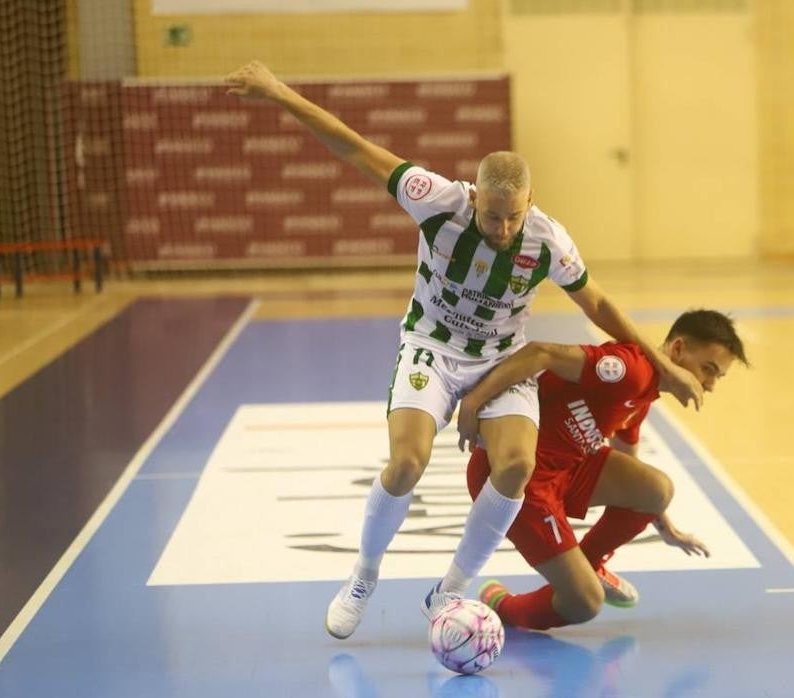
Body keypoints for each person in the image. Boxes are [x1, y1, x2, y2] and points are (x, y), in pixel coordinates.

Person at [223, 61, 704, 639]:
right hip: (431, 346)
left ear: (532, 203)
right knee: (406, 464)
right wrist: (277, 92)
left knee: (518, 465)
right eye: (492, 215)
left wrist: (663, 365)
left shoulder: (549, 241)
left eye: (514, 217)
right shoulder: (437, 199)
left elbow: (599, 307)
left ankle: (449, 590)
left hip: (501, 358)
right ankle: (363, 575)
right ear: (475, 196)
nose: (502, 228)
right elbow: (352, 147)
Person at [454, 309, 748, 630]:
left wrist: (665, 526)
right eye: (708, 369)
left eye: (718, 377)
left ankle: (588, 565)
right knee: (585, 603)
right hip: (516, 480)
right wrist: (473, 401)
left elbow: (631, 468)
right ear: (677, 349)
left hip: (563, 472)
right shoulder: (629, 371)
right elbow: (543, 353)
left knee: (658, 489)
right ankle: (503, 606)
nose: (709, 386)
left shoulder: (644, 395)